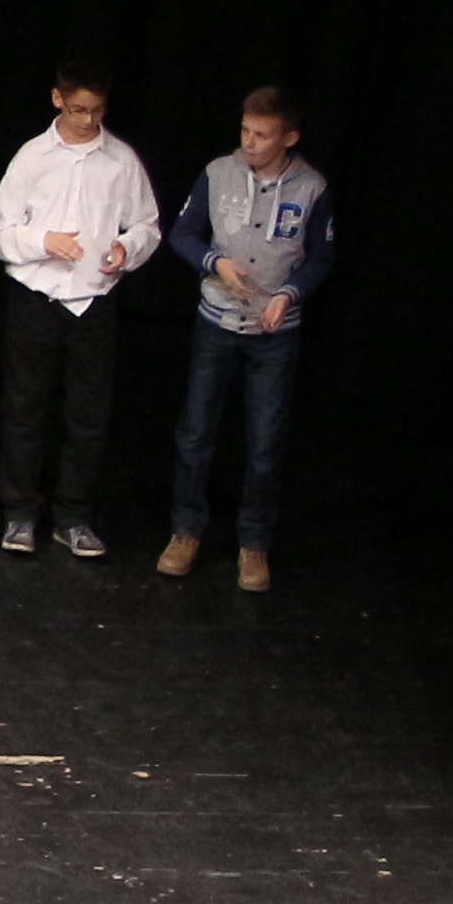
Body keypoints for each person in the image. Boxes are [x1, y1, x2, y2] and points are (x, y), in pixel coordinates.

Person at [0, 63, 162, 559]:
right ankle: (20, 513)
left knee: (88, 416)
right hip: (35, 296)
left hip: (93, 301)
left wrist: (128, 247)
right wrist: (45, 241)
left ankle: (74, 517)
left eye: (96, 111)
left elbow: (147, 224)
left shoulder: (120, 160)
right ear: (57, 100)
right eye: (78, 109)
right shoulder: (32, 157)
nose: (87, 120)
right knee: (24, 410)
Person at [163, 87, 332, 590]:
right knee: (196, 432)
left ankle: (253, 544)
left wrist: (288, 294)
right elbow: (183, 233)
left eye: (261, 134)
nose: (249, 142)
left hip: (273, 334)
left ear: (289, 138)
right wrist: (215, 263)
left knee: (264, 442)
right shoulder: (219, 172)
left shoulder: (311, 187)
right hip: (216, 322)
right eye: (245, 130)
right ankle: (185, 531)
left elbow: (322, 256)